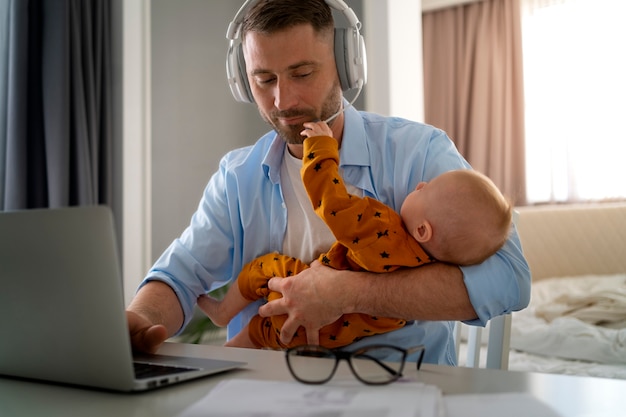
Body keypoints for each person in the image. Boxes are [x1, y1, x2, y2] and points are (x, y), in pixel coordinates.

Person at [126, 0, 530, 365]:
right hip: (267, 393)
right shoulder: (236, 178)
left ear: (346, 63)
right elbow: (177, 277)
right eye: (264, 80)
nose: (283, 101)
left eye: (302, 73)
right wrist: (139, 321)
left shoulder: (418, 151)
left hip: (402, 388)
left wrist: (350, 292)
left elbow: (509, 278)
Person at [197, 120, 513, 349]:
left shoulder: (383, 232)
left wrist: (321, 147)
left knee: (263, 268)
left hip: (297, 293)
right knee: (262, 333)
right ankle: (235, 346)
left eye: (426, 190)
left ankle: (224, 313)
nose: (420, 185)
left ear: (422, 230)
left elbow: (331, 202)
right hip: (328, 336)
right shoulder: (424, 274)